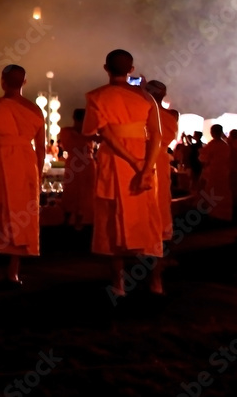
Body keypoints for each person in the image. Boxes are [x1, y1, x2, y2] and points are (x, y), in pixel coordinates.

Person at [83, 49, 163, 296]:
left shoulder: (97, 96)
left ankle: (119, 284)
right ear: (131, 70)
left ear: (106, 68)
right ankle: (155, 283)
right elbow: (157, 136)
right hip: (144, 159)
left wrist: (134, 163)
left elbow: (101, 132)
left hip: (116, 161)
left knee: (112, 220)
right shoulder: (146, 98)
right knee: (148, 219)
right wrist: (146, 167)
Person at [0, 65, 46, 284]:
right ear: (24, 82)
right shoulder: (35, 111)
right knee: (22, 212)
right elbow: (40, 148)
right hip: (25, 163)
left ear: (2, 81)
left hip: (1, 161)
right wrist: (38, 174)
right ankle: (13, 270)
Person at [144, 80, 178, 241]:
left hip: (146, 157)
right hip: (162, 159)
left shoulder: (146, 112)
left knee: (148, 196)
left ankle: (148, 233)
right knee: (162, 196)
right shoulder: (172, 115)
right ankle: (162, 232)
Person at [57, 108, 96, 230]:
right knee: (73, 190)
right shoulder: (86, 133)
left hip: (81, 162)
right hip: (80, 162)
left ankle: (74, 220)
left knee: (81, 191)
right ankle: (71, 220)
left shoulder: (70, 132)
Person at [198, 124, 232, 222]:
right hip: (222, 172)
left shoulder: (214, 144)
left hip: (214, 172)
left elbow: (204, 158)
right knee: (220, 192)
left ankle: (215, 215)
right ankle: (221, 215)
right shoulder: (224, 145)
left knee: (213, 192)